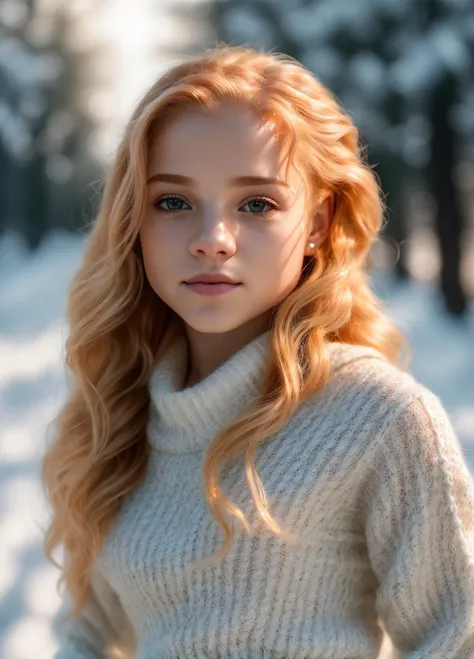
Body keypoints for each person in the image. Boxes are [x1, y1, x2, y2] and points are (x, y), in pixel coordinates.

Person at [41, 46, 474, 659]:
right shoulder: (121, 413)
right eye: (173, 202)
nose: (212, 240)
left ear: (319, 222)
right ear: (134, 220)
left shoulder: (381, 418)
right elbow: (87, 631)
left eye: (256, 204)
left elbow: (456, 641)